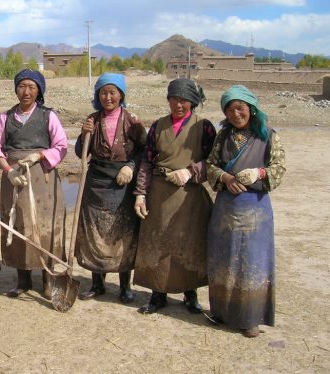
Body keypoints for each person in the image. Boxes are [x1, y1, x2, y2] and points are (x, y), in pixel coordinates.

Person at [206, 85, 286, 338]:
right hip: (226, 209)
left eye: (240, 108)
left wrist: (259, 173)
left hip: (256, 209)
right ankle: (220, 311)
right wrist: (226, 177)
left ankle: (250, 318)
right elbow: (210, 165)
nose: (235, 114)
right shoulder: (223, 136)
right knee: (224, 260)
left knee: (253, 262)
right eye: (229, 110)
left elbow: (279, 168)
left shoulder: (268, 136)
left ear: (251, 108)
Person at [133, 78, 216, 314]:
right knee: (158, 241)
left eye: (184, 99)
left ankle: (190, 294)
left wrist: (191, 171)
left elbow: (215, 162)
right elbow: (147, 163)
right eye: (174, 98)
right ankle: (158, 294)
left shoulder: (205, 126)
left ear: (192, 102)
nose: (179, 104)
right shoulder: (158, 126)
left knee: (188, 242)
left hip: (189, 196)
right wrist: (140, 194)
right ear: (168, 99)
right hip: (159, 194)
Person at [0, 69, 67, 300]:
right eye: (22, 86)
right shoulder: (5, 118)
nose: (26, 92)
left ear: (39, 91)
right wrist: (9, 171)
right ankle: (22, 280)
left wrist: (41, 156)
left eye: (31, 87)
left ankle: (47, 278)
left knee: (44, 226)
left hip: (42, 177)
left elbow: (61, 146)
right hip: (15, 178)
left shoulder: (48, 116)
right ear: (16, 89)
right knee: (19, 225)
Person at [74, 73, 146, 303]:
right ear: (97, 96)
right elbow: (81, 153)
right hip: (96, 184)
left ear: (121, 95)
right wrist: (84, 134)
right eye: (103, 93)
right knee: (95, 234)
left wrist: (131, 167)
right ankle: (97, 284)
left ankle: (125, 286)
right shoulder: (92, 120)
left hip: (123, 184)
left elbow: (145, 151)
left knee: (123, 234)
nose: (107, 97)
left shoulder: (133, 121)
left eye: (112, 92)